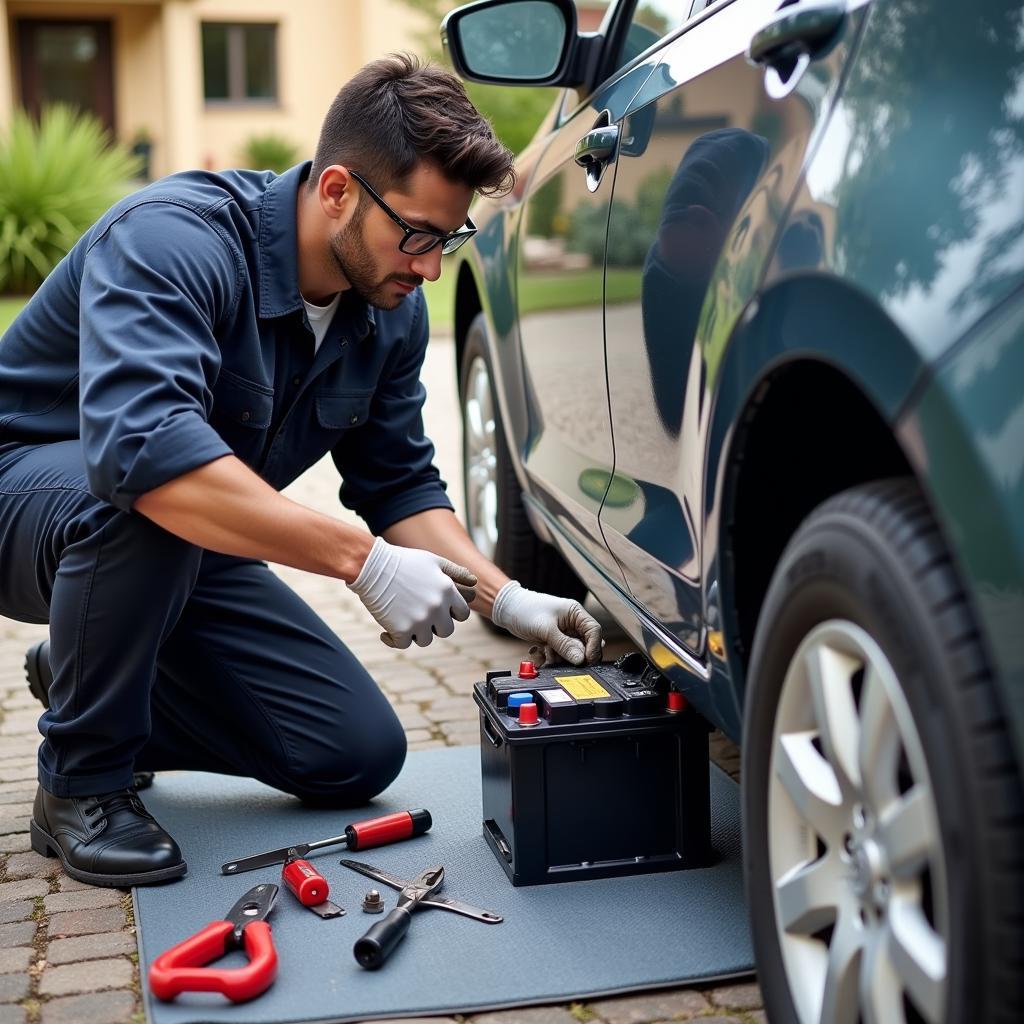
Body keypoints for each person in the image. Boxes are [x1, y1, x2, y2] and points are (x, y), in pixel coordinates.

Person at [0, 54, 602, 888]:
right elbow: (142, 453)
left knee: (353, 752)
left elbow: (398, 485)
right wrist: (361, 561)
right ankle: (81, 785)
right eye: (418, 236)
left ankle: (93, 675)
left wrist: (504, 595)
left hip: (185, 538)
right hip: (34, 498)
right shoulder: (173, 241)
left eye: (449, 240)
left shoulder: (384, 311)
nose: (430, 267)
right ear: (337, 192)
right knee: (144, 498)